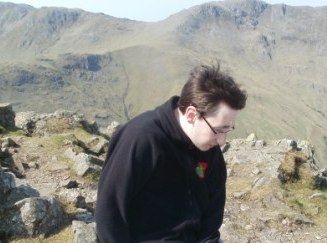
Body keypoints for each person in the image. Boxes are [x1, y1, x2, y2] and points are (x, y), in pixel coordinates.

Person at [95, 62, 247, 242]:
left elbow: (213, 210)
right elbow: (110, 210)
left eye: (228, 129)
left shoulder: (208, 147)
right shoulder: (142, 138)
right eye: (219, 129)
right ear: (192, 115)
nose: (223, 141)